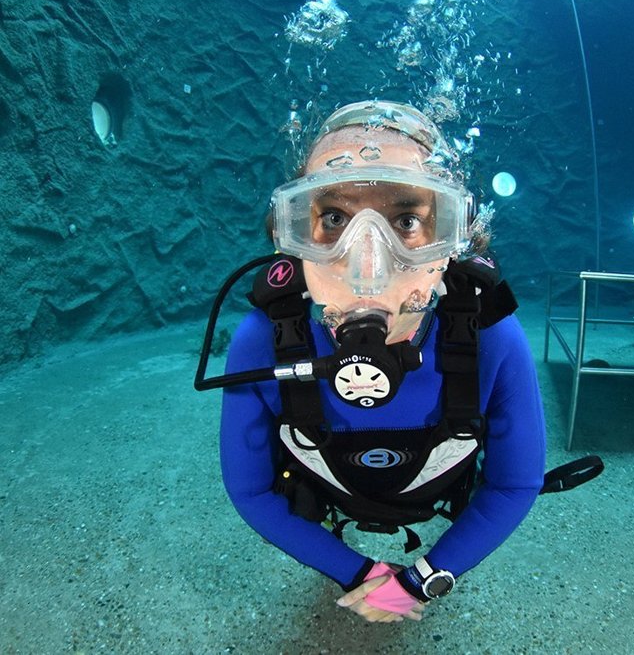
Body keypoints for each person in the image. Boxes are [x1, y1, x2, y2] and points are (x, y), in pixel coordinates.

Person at [218, 100, 547, 624]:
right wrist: (360, 574)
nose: (367, 267)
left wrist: (417, 582)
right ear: (292, 240)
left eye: (407, 220)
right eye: (333, 219)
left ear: (452, 243)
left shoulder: (492, 338)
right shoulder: (264, 340)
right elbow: (251, 490)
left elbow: (514, 484)